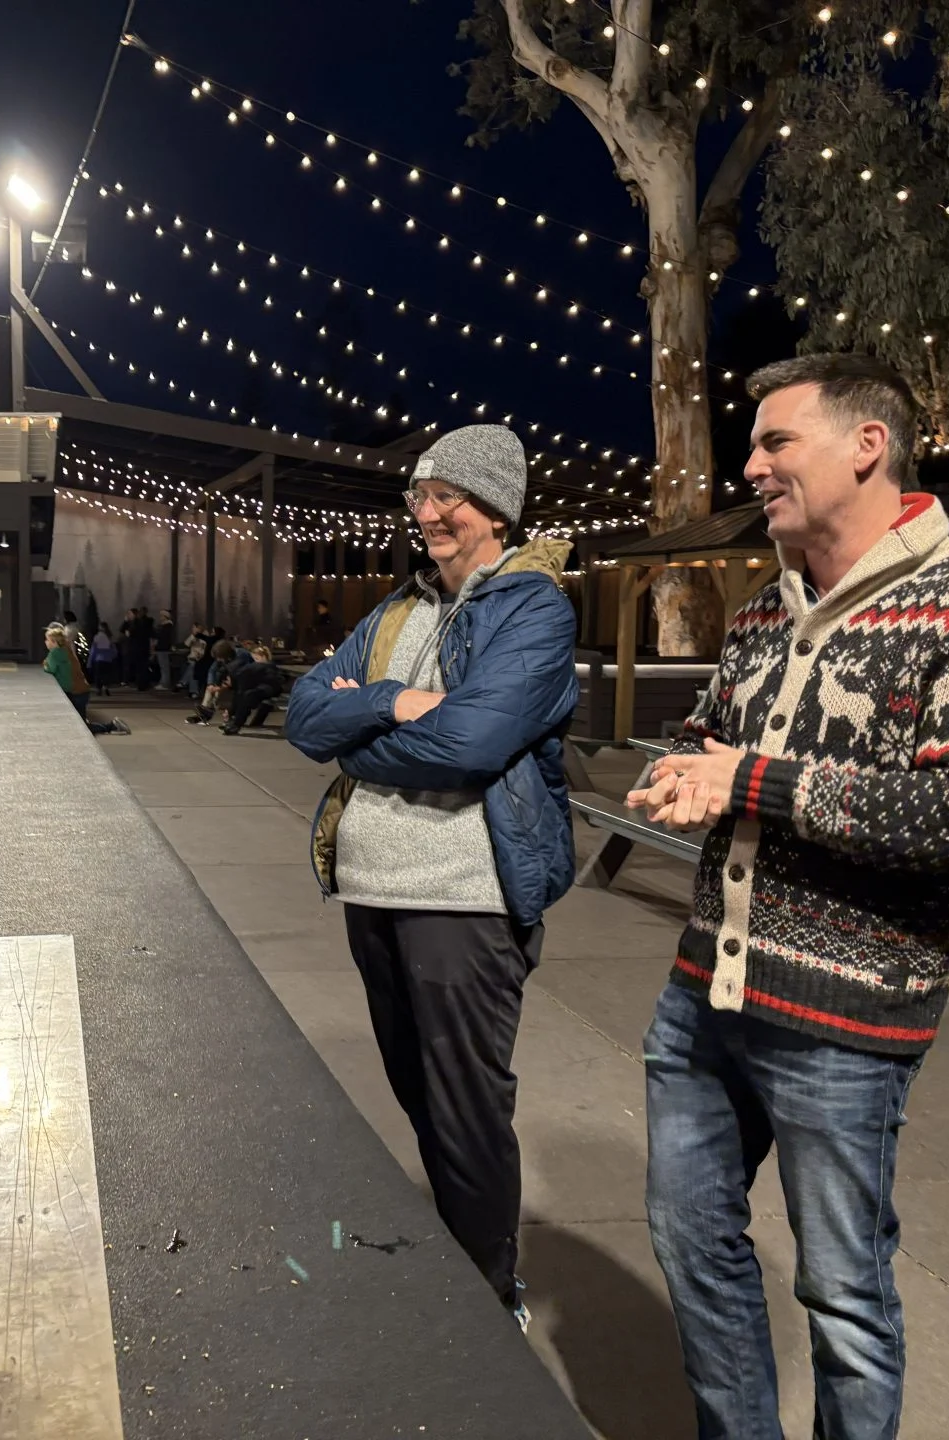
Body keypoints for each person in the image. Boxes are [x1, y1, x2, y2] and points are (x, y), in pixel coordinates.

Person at [626, 356, 949, 1440]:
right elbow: (713, 739)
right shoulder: (762, 615)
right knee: (690, 1243)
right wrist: (683, 770)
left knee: (844, 1297)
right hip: (702, 1001)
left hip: (845, 1030)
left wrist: (753, 782)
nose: (751, 466)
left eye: (776, 442)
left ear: (868, 446)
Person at [285, 424, 578, 1332]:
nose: (429, 512)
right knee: (416, 1090)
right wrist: (392, 700)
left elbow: (470, 744)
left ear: (497, 508)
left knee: (467, 1108)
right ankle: (455, 1269)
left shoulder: (533, 610)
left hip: (464, 896)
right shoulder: (396, 612)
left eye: (449, 495)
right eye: (420, 495)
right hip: (372, 887)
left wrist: (359, 737)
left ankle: (490, 1299)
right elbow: (303, 716)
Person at [45, 625, 129, 736]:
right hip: (82, 690)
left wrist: (46, 663)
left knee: (81, 726)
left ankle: (113, 726)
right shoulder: (67, 650)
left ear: (54, 642)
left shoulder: (55, 653)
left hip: (75, 692)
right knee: (81, 724)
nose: (45, 642)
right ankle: (112, 726)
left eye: (47, 640)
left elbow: (49, 668)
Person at [221, 645, 286, 735]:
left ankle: (235, 722)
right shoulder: (262, 666)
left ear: (263, 656)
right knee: (242, 695)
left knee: (246, 696)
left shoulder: (265, 666)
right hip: (261, 689)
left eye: (256, 658)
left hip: (267, 690)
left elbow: (241, 672)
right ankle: (234, 720)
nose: (255, 661)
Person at [89, 622, 119, 696]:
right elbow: (114, 650)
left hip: (99, 659)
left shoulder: (97, 637)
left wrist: (91, 659)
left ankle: (99, 689)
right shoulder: (109, 637)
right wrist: (111, 657)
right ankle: (106, 687)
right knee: (106, 674)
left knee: (98, 675)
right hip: (108, 659)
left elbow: (94, 649)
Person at [153, 608, 176, 689]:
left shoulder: (167, 626)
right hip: (162, 648)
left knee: (164, 667)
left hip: (163, 648)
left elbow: (163, 637)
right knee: (163, 667)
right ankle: (163, 681)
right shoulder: (164, 626)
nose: (160, 617)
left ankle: (165, 683)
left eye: (162, 616)